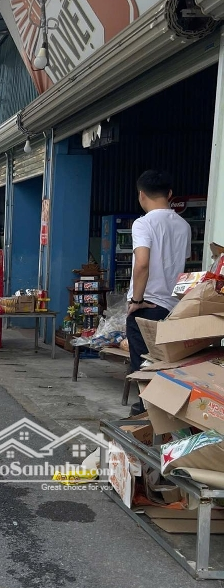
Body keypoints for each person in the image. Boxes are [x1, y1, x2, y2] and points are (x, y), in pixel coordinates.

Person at [125, 169, 191, 413]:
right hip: (172, 308)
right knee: (165, 364)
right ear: (170, 194)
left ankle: (146, 416)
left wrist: (136, 300)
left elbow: (142, 263)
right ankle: (163, 413)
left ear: (141, 194)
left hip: (147, 306)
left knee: (143, 366)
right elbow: (181, 265)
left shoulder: (143, 223)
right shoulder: (184, 225)